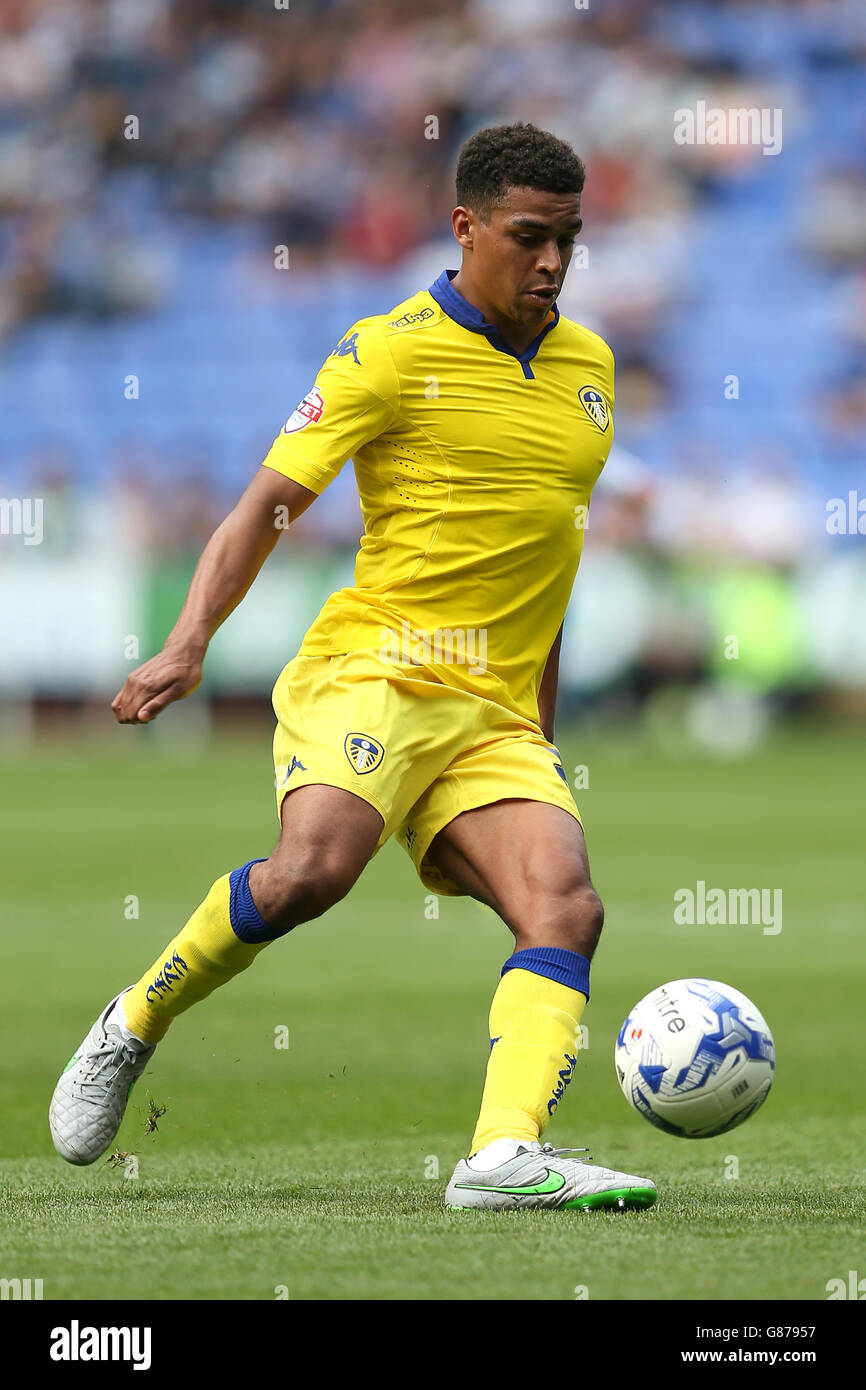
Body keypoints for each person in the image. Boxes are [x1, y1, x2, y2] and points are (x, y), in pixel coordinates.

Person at [50, 123, 656, 1212]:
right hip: (375, 668)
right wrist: (191, 639)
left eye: (570, 239)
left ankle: (501, 1159)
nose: (553, 264)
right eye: (529, 238)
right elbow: (263, 509)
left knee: (563, 904)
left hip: (492, 715)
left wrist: (538, 730)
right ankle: (134, 1018)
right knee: (311, 872)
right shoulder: (385, 351)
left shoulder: (589, 371)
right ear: (464, 227)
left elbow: (545, 559)